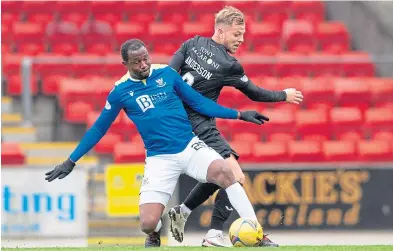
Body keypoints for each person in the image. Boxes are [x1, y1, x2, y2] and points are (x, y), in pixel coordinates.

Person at [44, 39, 271, 248]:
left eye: (145, 58)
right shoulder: (120, 92)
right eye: (136, 62)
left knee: (225, 171)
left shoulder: (167, 75)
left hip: (189, 146)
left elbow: (199, 103)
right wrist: (71, 161)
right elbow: (98, 129)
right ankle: (155, 233)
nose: (143, 64)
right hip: (159, 158)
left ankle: (257, 232)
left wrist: (240, 114)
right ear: (125, 64)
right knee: (148, 223)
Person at [168, 6, 304, 247]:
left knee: (218, 173)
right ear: (220, 32)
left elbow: (168, 76)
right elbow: (254, 93)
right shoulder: (228, 64)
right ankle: (228, 234)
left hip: (177, 122)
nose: (241, 40)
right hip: (199, 124)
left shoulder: (191, 44)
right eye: (236, 34)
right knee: (235, 176)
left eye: (242, 34)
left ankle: (183, 211)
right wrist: (284, 94)